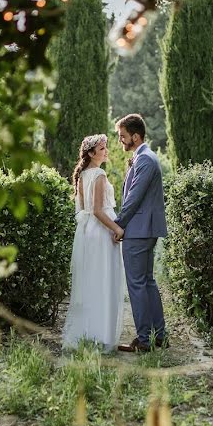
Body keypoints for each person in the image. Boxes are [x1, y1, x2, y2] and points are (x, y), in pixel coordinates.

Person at [61, 134, 125, 351]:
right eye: (102, 148)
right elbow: (97, 210)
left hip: (88, 232)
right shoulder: (98, 175)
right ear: (91, 153)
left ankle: (88, 332)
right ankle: (101, 335)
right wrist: (117, 228)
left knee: (90, 283)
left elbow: (84, 210)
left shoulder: (82, 176)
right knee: (104, 282)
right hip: (101, 233)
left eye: (106, 147)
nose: (106, 151)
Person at [113, 114, 169, 352]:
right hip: (144, 230)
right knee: (147, 283)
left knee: (137, 285)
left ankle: (145, 340)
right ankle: (159, 336)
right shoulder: (145, 158)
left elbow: (133, 199)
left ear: (136, 136)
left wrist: (118, 224)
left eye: (123, 137)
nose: (121, 142)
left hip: (138, 232)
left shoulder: (145, 159)